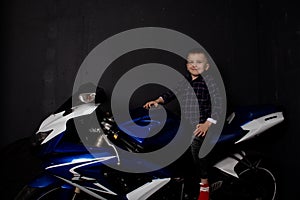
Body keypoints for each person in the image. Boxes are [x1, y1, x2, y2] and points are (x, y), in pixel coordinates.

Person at [143, 48, 217, 200]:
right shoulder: (185, 82)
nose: (194, 65)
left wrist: (207, 124)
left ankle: (204, 184)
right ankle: (176, 178)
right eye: (191, 61)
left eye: (199, 62)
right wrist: (157, 101)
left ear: (207, 66)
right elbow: (170, 94)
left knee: (196, 147)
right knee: (169, 142)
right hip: (186, 124)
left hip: (202, 125)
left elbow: (218, 104)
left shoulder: (209, 83)